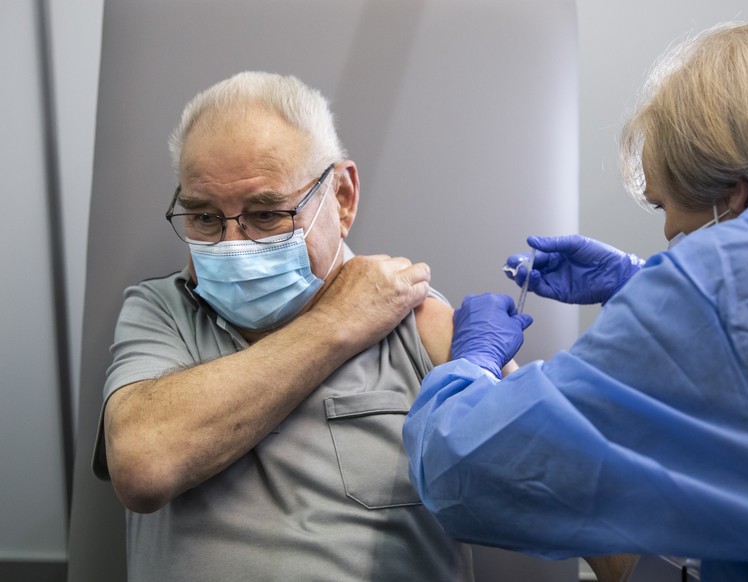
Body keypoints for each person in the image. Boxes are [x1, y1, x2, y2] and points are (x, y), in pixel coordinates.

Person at [403, 21, 748, 582]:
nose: (671, 231)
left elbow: (467, 474)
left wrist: (472, 364)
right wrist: (644, 282)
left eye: (667, 212)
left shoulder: (724, 284)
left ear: (734, 193)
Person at [91, 71, 480, 581]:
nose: (233, 244)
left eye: (267, 213)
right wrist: (337, 322)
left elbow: (555, 482)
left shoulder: (420, 322)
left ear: (341, 197)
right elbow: (143, 467)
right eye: (204, 217)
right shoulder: (162, 310)